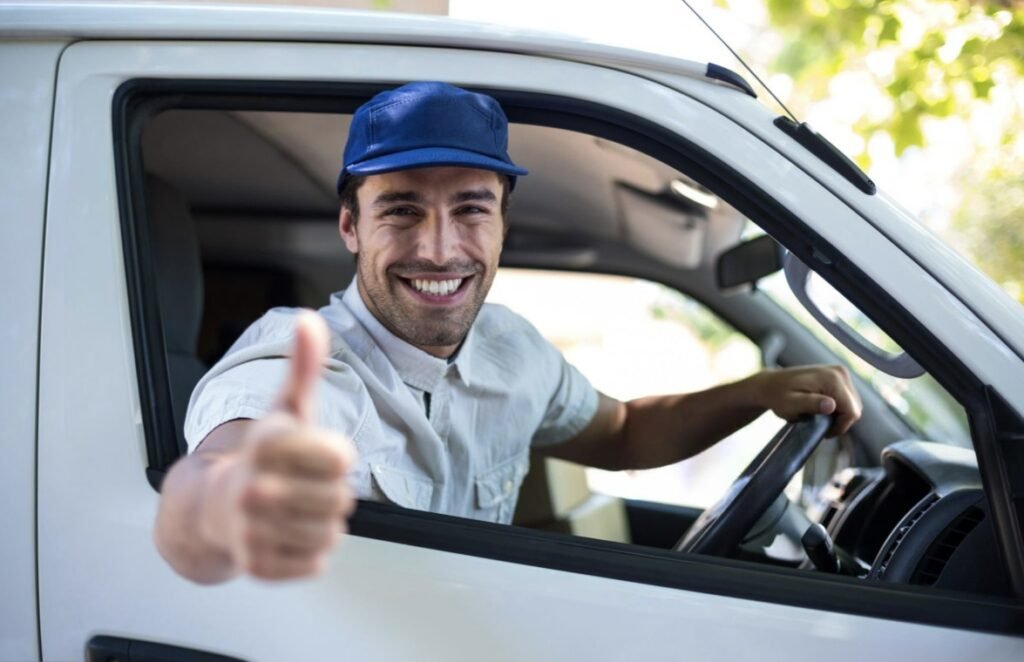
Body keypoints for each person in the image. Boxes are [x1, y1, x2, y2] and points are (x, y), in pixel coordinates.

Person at [153, 82, 862, 585]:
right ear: (351, 226)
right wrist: (228, 506)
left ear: (501, 226)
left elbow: (624, 433)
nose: (439, 249)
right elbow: (211, 492)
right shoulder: (299, 362)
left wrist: (758, 392)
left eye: (470, 209)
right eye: (400, 211)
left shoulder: (511, 347)